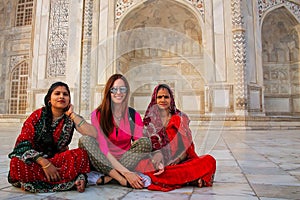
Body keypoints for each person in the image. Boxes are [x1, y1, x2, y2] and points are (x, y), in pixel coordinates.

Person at [8, 81, 96, 193]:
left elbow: (93, 134)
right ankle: (70, 180)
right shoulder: (37, 115)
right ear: (49, 99)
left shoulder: (70, 119)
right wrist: (45, 163)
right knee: (16, 163)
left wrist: (72, 115)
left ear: (69, 100)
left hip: (56, 163)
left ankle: (35, 183)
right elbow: (22, 144)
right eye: (57, 93)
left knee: (81, 155)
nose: (61, 97)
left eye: (65, 94)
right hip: (36, 162)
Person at [135, 84, 216, 192]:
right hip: (157, 163)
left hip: (178, 163)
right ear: (155, 99)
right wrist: (157, 159)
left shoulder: (180, 118)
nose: (163, 100)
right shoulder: (149, 120)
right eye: (159, 97)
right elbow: (145, 146)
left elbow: (187, 148)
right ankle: (190, 179)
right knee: (141, 166)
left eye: (166, 97)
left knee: (209, 161)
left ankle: (173, 178)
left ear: (171, 99)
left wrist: (178, 159)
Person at [78, 74, 152, 189]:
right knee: (85, 140)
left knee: (145, 142)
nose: (118, 92)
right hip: (104, 161)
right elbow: (104, 150)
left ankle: (108, 178)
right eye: (114, 89)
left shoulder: (133, 115)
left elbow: (140, 145)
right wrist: (125, 176)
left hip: (127, 160)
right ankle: (119, 178)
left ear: (126, 92)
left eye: (122, 89)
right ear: (109, 91)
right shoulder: (97, 114)